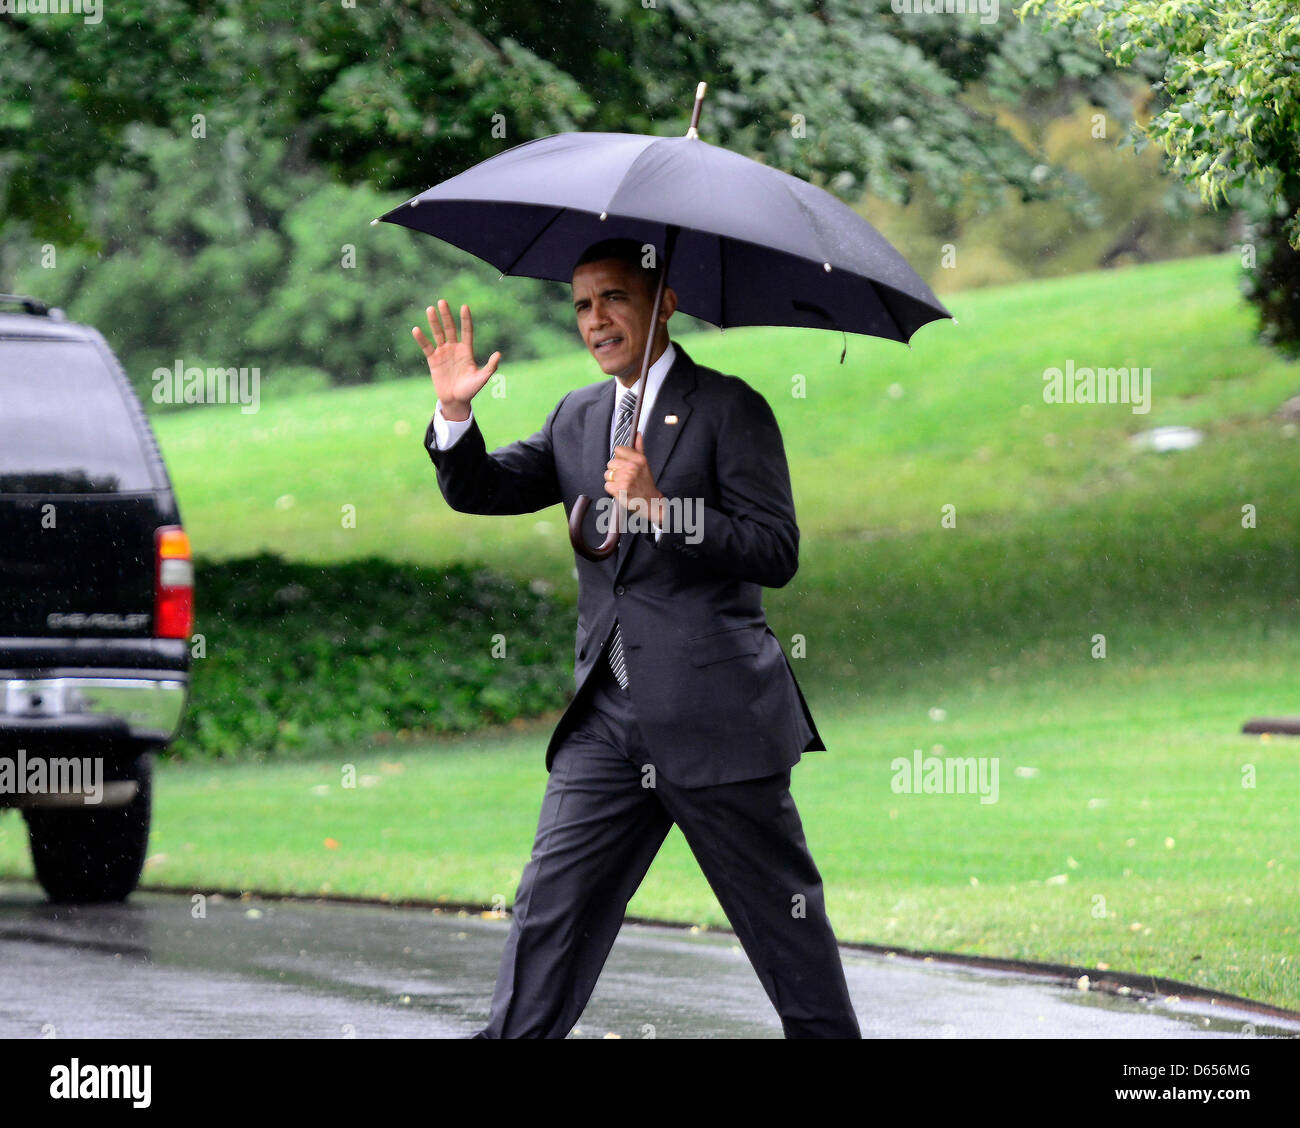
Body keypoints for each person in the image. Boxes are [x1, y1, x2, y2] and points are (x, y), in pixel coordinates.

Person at [414, 237, 860, 1038]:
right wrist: (454, 413)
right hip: (606, 723)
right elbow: (483, 489)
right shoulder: (578, 416)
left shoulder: (731, 408)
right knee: (549, 911)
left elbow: (775, 551)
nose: (596, 319)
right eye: (583, 304)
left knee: (783, 926)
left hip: (716, 718)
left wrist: (662, 507)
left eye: (614, 298)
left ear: (664, 303)